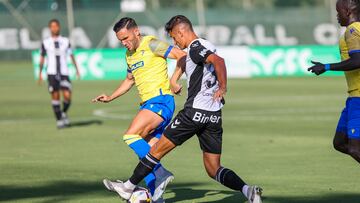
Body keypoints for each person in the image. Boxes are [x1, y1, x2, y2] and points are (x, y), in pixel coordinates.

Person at [102, 15, 263, 203]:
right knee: (213, 169)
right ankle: (248, 191)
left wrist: (222, 87)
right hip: (213, 115)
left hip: (191, 112)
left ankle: (128, 186)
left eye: (174, 37)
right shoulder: (206, 45)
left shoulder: (190, 47)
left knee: (148, 148)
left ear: (181, 32)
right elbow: (197, 60)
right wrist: (174, 80)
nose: (174, 42)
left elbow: (215, 61)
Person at [92, 17, 186, 202]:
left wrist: (174, 80)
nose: (124, 43)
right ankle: (157, 198)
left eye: (126, 38)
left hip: (160, 102)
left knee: (131, 135)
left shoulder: (151, 44)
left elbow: (181, 55)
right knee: (150, 154)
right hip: (150, 105)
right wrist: (111, 97)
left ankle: (161, 174)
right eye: (120, 40)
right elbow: (129, 80)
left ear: (136, 31)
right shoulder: (129, 55)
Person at [308, 0, 360, 164]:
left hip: (359, 97)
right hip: (353, 97)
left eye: (339, 12)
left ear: (349, 11)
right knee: (340, 142)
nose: (337, 16)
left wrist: (327, 67)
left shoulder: (353, 29)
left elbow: (357, 60)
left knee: (354, 148)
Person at [38, 19, 80, 129]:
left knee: (67, 96)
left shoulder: (65, 41)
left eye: (56, 26)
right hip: (51, 73)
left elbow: (71, 55)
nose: (54, 28)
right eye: (52, 26)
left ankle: (63, 113)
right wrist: (40, 74)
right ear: (50, 28)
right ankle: (59, 120)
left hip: (64, 73)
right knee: (55, 97)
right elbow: (42, 58)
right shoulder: (45, 42)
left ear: (59, 27)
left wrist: (77, 69)